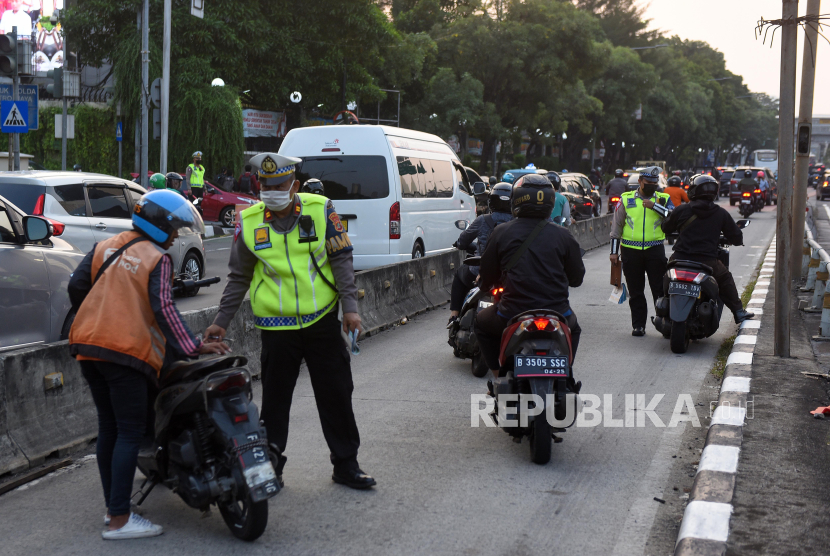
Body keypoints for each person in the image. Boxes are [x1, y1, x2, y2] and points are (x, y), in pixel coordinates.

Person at [203, 153, 375, 490]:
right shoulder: (249, 221)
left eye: (279, 185)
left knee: (336, 394)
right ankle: (271, 466)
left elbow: (342, 260)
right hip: (276, 329)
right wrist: (221, 320)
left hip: (321, 321)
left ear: (294, 185)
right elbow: (239, 277)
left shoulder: (321, 209)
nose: (271, 191)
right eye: (266, 185)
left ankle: (346, 464)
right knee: (276, 401)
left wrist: (350, 308)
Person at [67, 190, 229, 540]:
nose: (174, 237)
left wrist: (102, 312)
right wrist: (193, 347)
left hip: (88, 346)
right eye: (173, 229)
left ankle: (115, 507)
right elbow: (165, 310)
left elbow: (77, 286)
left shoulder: (106, 247)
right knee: (128, 432)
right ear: (158, 225)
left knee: (108, 429)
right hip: (124, 351)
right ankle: (120, 521)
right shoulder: (157, 258)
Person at [475, 173, 585, 376]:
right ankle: (565, 371)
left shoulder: (501, 232)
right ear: (551, 203)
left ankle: (497, 375)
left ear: (516, 201)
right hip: (558, 313)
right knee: (575, 329)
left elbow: (487, 276)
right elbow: (577, 279)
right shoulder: (563, 235)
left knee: (481, 324)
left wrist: (484, 283)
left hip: (511, 312)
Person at [661, 175, 754, 323]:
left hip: (679, 258)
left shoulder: (681, 210)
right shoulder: (720, 213)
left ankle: (663, 309)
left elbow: (666, 227)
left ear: (693, 191)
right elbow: (736, 237)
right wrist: (734, 239)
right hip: (707, 261)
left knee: (664, 276)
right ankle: (738, 312)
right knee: (725, 279)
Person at [610, 166, 673, 336]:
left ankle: (665, 324)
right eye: (648, 183)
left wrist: (654, 206)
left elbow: (673, 216)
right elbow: (617, 227)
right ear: (640, 182)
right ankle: (638, 325)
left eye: (655, 182)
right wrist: (614, 252)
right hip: (631, 251)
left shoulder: (663, 198)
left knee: (659, 290)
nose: (652, 185)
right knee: (636, 291)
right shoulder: (626, 199)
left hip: (655, 250)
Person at [448, 182, 513, 325]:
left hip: (481, 271)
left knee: (460, 274)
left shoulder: (483, 220)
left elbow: (463, 240)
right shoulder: (518, 223)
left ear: (491, 201)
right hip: (509, 274)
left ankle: (454, 316)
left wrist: (461, 245)